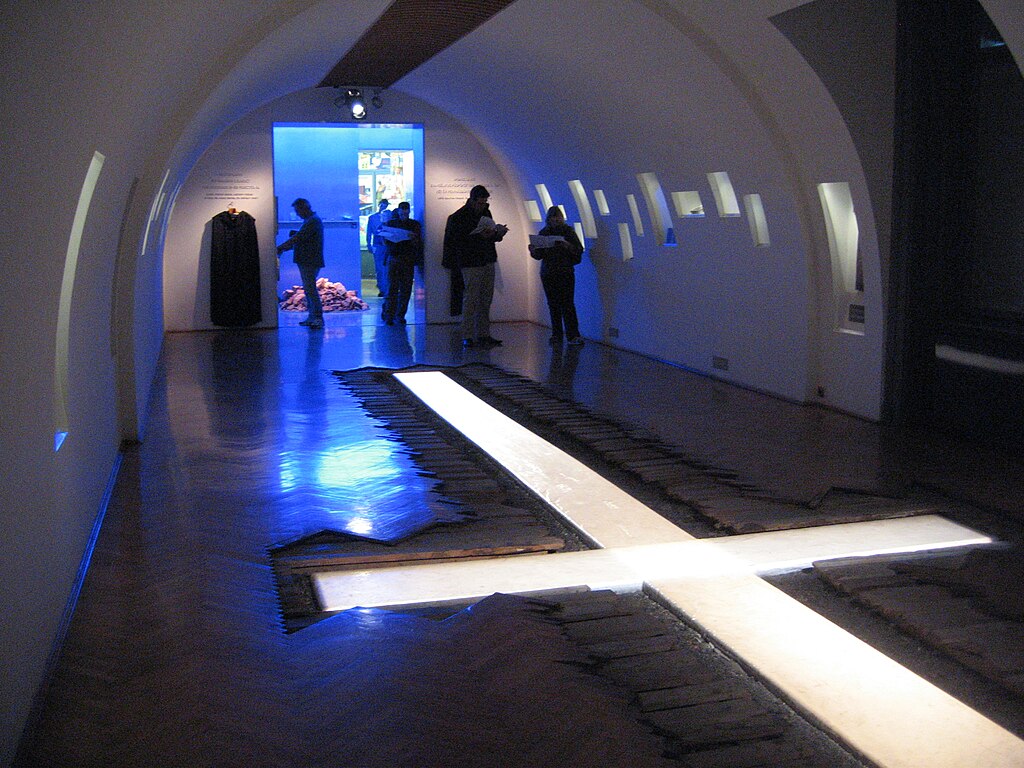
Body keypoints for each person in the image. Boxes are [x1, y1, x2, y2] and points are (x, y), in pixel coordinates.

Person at [443, 184, 508, 348]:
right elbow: (455, 242)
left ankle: (484, 334)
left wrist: (496, 234)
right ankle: (468, 335)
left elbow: (491, 235)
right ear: (472, 200)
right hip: (470, 261)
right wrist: (479, 236)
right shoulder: (459, 216)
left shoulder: (486, 212)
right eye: (480, 202)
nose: (483, 205)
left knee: (486, 298)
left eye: (485, 201)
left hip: (487, 259)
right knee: (471, 298)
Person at [529, 205, 584, 345]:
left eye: (557, 218)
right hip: (549, 272)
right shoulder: (544, 232)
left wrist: (566, 246)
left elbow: (578, 250)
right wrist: (533, 250)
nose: (555, 221)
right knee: (554, 305)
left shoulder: (568, 232)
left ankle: (572, 335)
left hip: (564, 271)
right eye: (553, 218)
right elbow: (538, 255)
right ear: (549, 219)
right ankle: (557, 335)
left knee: (567, 304)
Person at [276, 198, 324, 328]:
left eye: (298, 210)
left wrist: (280, 248)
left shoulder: (312, 221)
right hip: (308, 259)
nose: (297, 214)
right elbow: (301, 239)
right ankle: (312, 316)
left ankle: (317, 318)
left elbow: (298, 238)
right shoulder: (311, 220)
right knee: (309, 289)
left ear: (304, 208)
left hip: (309, 260)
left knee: (310, 289)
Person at [380, 202, 423, 325]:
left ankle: (394, 315)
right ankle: (393, 315)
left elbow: (417, 243)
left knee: (401, 288)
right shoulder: (411, 225)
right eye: (402, 212)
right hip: (399, 258)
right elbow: (385, 240)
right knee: (396, 288)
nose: (404, 214)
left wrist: (413, 238)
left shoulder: (397, 224)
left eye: (406, 212)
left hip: (401, 258)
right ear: (398, 211)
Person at [366, 198, 391, 297]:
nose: (384, 207)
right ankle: (382, 287)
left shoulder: (389, 216)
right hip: (378, 244)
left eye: (385, 205)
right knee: (379, 268)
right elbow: (369, 232)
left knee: (387, 267)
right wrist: (368, 244)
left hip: (387, 244)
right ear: (379, 205)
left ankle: (387, 288)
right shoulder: (373, 218)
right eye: (382, 205)